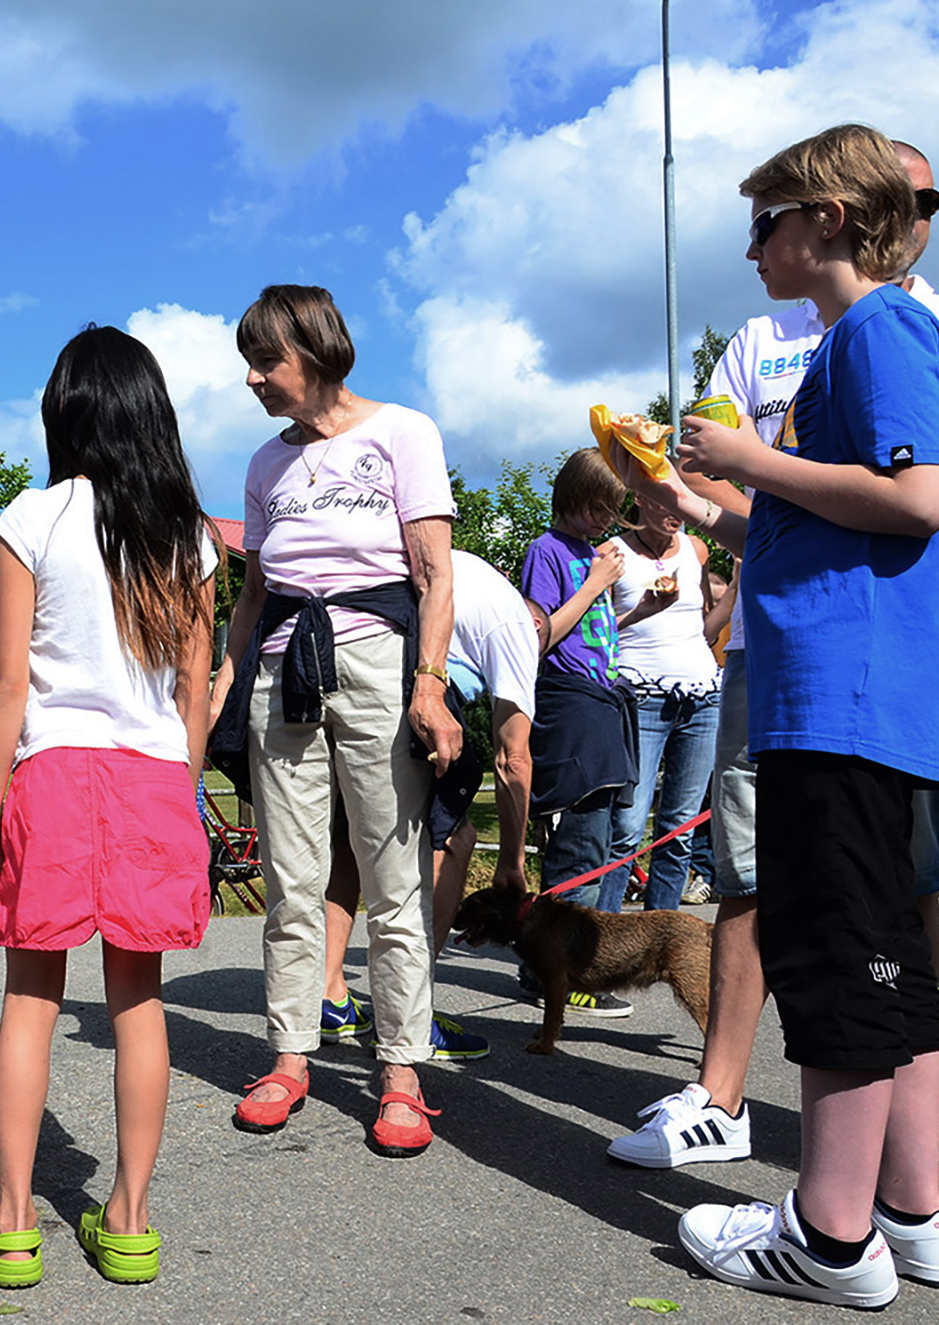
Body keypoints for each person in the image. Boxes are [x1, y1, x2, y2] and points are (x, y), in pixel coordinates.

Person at [611, 138, 939, 1175]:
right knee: (843, 928)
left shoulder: (880, 325)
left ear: (826, 217)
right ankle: (910, 1207)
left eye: (762, 223)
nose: (748, 251)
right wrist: (693, 499)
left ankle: (833, 1228)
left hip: (848, 680)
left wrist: (751, 459)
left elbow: (926, 499)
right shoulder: (843, 333)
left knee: (845, 948)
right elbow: (791, 523)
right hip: (816, 674)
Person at [0, 326, 216, 1289]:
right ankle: (131, 1221)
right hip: (152, 777)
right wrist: (180, 787)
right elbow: (197, 684)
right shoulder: (184, 531)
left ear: (65, 412)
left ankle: (15, 1223)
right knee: (138, 1000)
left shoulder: (34, 517)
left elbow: (9, 676)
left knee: (31, 995)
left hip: (55, 773)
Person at [206, 283, 462, 1156]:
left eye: (265, 359)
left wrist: (429, 684)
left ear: (314, 352)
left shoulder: (403, 433)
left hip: (378, 664)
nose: (251, 377)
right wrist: (221, 684)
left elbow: (434, 574)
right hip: (286, 670)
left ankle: (401, 1069)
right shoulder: (264, 464)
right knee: (292, 878)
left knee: (393, 880)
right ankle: (288, 1055)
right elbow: (251, 597)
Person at [320, 550, 545, 1061]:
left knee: (351, 838)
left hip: (344, 663)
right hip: (414, 688)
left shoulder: (467, 570)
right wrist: (511, 860)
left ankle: (327, 994)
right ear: (537, 627)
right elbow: (513, 759)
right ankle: (409, 1012)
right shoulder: (517, 625)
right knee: (454, 837)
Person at [519, 448, 636, 1016]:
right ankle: (557, 970)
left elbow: (593, 635)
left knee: (608, 837)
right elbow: (539, 636)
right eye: (598, 508)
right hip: (570, 707)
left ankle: (561, 964)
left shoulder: (592, 556)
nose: (606, 521)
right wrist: (595, 583)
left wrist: (636, 608)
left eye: (613, 511)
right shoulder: (548, 551)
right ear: (571, 498)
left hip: (604, 701)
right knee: (580, 847)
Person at [606, 489, 720, 912]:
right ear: (640, 500)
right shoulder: (613, 553)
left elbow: (704, 624)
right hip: (642, 697)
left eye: (682, 503)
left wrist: (735, 596)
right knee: (626, 828)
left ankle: (659, 938)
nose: (676, 513)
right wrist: (643, 610)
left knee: (680, 830)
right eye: (665, 502)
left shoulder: (696, 549)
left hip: (703, 698)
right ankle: (603, 947)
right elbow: (594, 637)